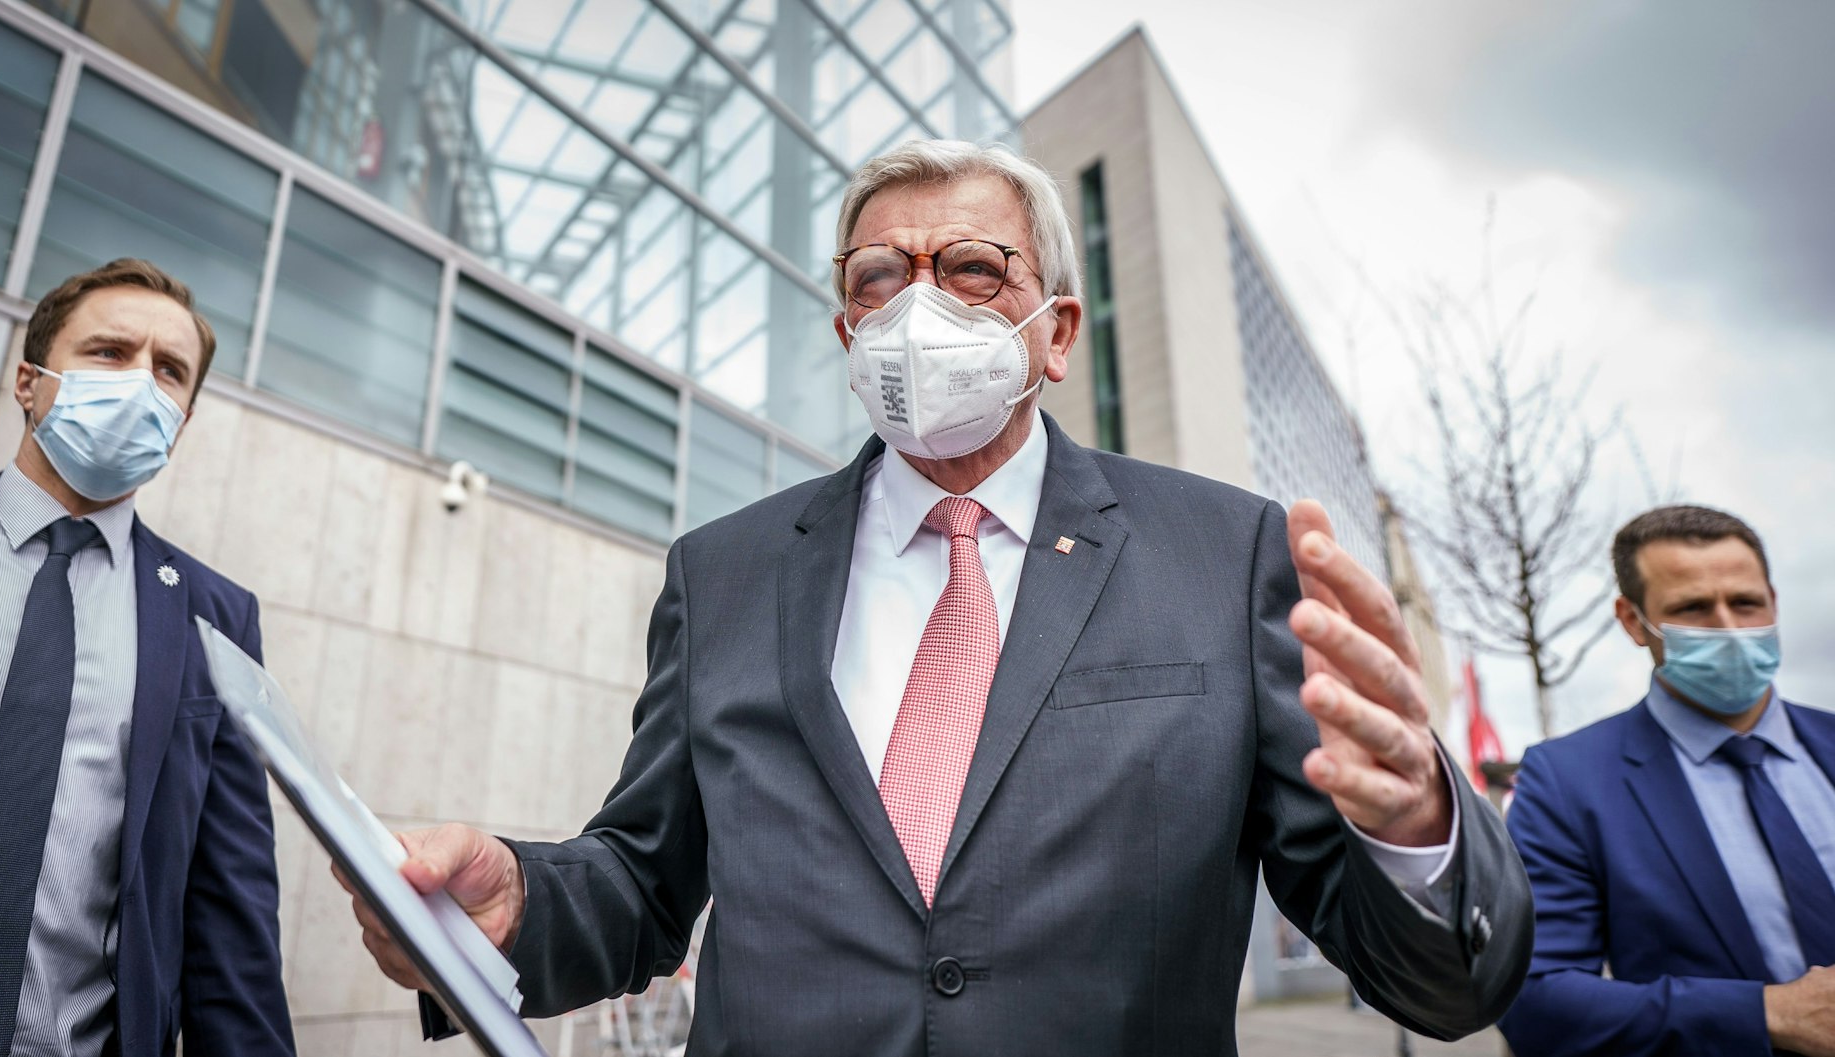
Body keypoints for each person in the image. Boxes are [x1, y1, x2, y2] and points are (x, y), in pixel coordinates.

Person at [345, 141, 1530, 1055]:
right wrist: (505, 902)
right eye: (879, 275)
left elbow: (1431, 976)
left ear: (1054, 331)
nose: (920, 304)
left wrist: (1416, 827)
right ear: (847, 327)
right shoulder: (724, 570)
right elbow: (644, 885)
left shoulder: (1222, 554)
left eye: (970, 269)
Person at [0, 260, 295, 1057]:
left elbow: (230, 904)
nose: (141, 382)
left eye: (169, 371)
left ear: (180, 422)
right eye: (110, 352)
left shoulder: (216, 616)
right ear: (29, 382)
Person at [1500, 505, 1835, 1056]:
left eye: (1745, 602)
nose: (1729, 628)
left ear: (1774, 602)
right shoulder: (1567, 782)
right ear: (1634, 621)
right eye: (1693, 609)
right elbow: (1536, 1001)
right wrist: (1765, 1013)